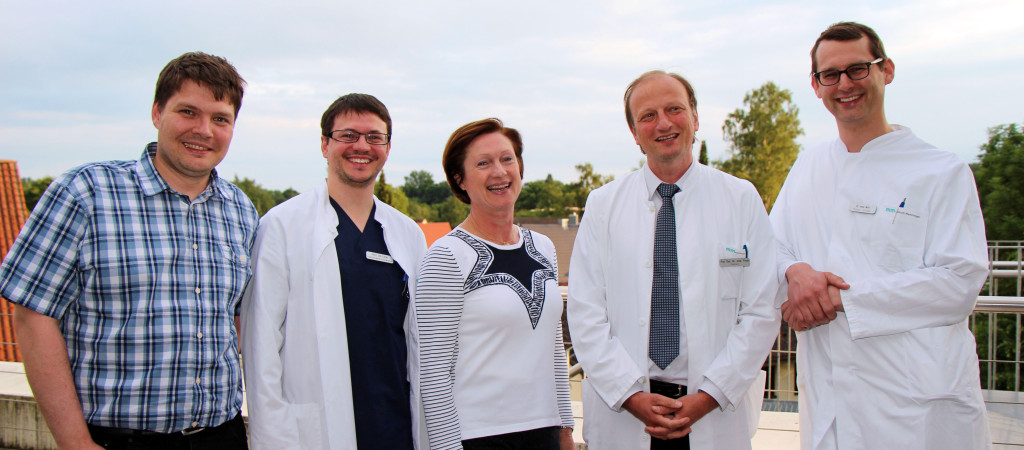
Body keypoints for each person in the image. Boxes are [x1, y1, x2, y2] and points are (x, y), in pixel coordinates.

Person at [0, 52, 256, 449]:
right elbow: (33, 316)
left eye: (220, 118)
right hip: (119, 440)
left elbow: (238, 319)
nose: (204, 130)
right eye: (188, 111)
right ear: (157, 113)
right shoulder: (86, 192)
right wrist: (75, 444)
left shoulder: (240, 209)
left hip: (221, 435)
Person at [769, 22, 991, 450]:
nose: (845, 84)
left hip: (918, 406)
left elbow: (959, 280)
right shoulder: (809, 167)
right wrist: (796, 272)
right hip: (830, 402)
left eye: (858, 69)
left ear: (886, 70)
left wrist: (837, 299)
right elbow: (771, 245)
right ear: (816, 87)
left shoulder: (941, 171)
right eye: (829, 75)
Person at [566, 71, 780, 450]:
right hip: (628, 416)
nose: (663, 123)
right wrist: (630, 395)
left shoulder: (741, 199)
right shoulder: (603, 206)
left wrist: (710, 395)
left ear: (695, 119)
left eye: (674, 109)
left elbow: (761, 309)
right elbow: (585, 313)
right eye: (648, 116)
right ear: (634, 133)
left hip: (713, 412)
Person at [240, 93, 428, 449]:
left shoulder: (408, 235)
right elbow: (261, 346)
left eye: (375, 136)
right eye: (347, 135)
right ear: (325, 145)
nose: (362, 146)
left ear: (388, 148)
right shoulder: (282, 226)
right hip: (316, 431)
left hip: (396, 427)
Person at [415, 118, 575, 450]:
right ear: (460, 179)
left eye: (507, 158)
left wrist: (565, 427)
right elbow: (432, 374)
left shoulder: (544, 247)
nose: (499, 172)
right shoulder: (446, 256)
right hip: (478, 437)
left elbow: (554, 349)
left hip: (544, 431)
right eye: (483, 163)